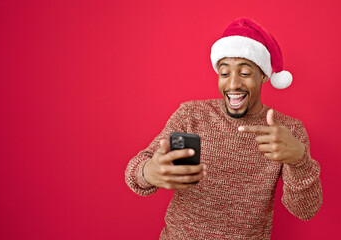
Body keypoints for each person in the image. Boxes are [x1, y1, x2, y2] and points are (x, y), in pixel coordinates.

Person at [125, 17, 323, 239]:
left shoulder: (287, 131)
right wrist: (149, 172)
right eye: (225, 73)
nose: (233, 84)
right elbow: (135, 171)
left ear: (264, 75)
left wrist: (300, 160)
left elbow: (306, 210)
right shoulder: (192, 114)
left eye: (245, 73)